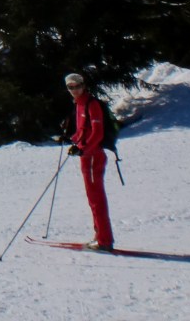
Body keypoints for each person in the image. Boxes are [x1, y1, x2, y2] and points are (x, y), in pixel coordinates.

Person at [65, 72, 114, 251]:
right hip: (86, 157)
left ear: (83, 85)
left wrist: (83, 149)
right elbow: (82, 131)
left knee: (96, 198)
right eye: (70, 87)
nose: (74, 90)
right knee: (92, 197)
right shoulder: (79, 105)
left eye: (77, 86)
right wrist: (71, 139)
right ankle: (99, 236)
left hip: (94, 157)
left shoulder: (91, 105)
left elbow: (97, 134)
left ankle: (104, 240)